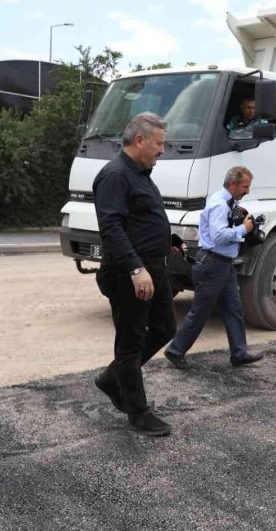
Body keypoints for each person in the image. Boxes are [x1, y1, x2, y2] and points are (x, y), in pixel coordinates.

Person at [92, 112, 182, 437]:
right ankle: (137, 410)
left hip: (152, 266)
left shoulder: (142, 172)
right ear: (140, 140)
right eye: (159, 143)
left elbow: (141, 218)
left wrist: (169, 241)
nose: (162, 150)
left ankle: (112, 378)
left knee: (165, 327)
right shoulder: (115, 175)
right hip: (130, 272)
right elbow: (111, 228)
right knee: (131, 342)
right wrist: (135, 268)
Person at [164, 166, 264, 369]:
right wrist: (244, 229)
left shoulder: (228, 201)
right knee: (200, 312)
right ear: (233, 184)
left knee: (234, 309)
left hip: (223, 265)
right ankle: (175, 351)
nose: (247, 191)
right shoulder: (220, 204)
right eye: (245, 186)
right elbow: (218, 236)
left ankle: (239, 353)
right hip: (213, 263)